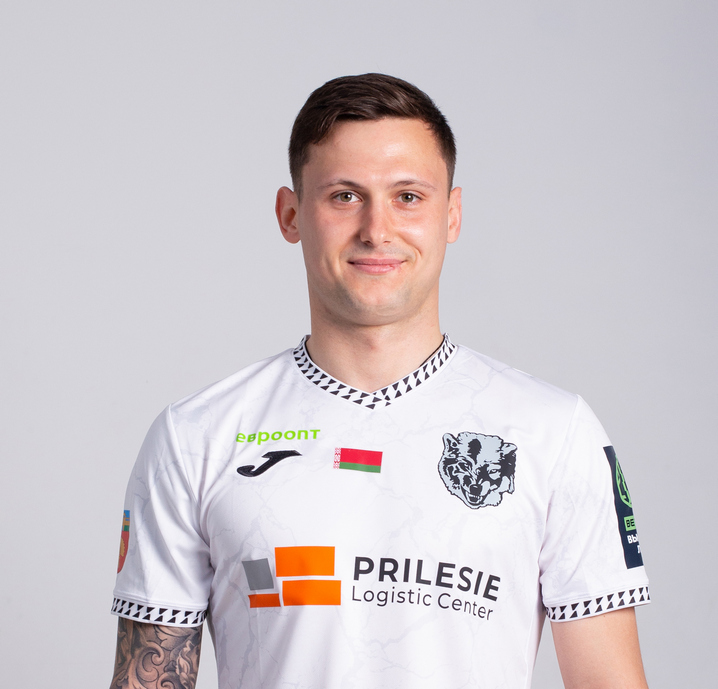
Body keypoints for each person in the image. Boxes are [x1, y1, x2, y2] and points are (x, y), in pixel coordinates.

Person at [109, 73, 650, 689]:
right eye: (345, 196)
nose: (377, 229)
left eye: (408, 196)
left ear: (452, 215)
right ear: (290, 214)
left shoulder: (554, 433)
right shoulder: (195, 437)